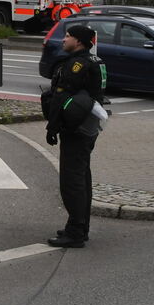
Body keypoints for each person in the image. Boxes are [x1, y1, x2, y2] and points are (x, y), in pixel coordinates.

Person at [41, 23, 108, 248]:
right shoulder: (94, 61)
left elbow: (61, 96)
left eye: (68, 36)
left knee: (71, 182)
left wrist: (52, 127)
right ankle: (80, 226)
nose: (63, 39)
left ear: (78, 41)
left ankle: (76, 232)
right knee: (82, 177)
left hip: (76, 128)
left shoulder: (77, 64)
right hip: (88, 126)